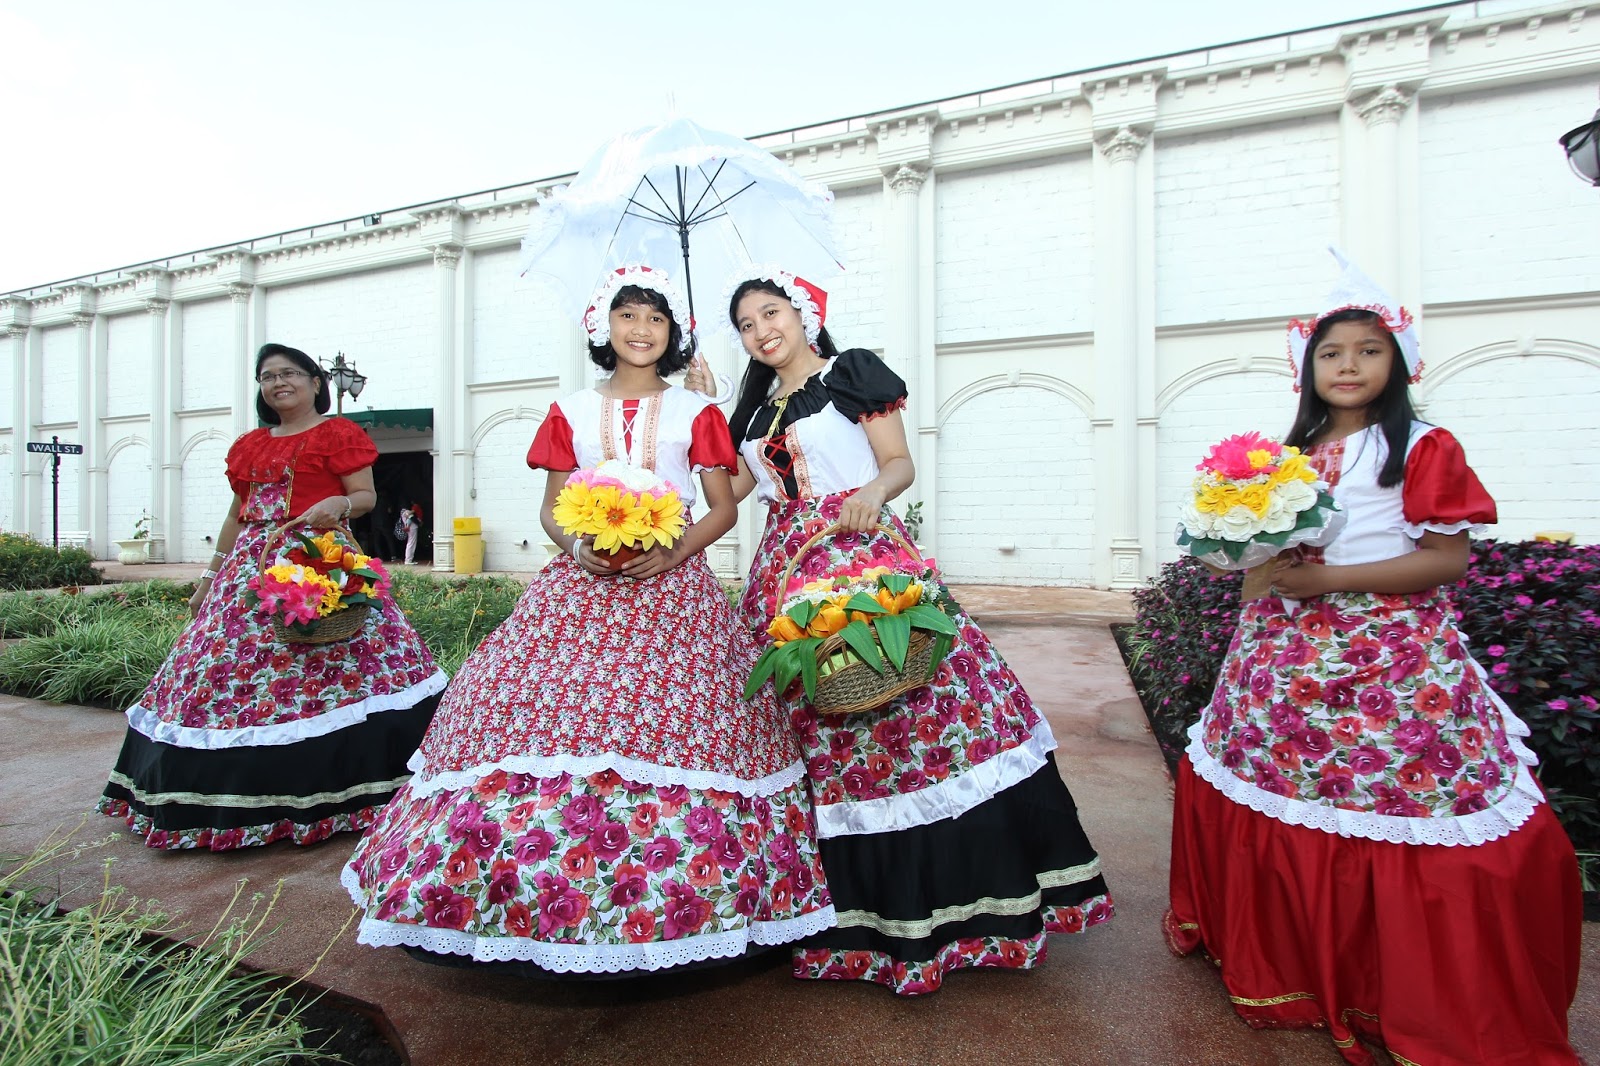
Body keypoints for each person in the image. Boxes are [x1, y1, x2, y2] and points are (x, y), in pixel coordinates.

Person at [343, 266, 834, 974]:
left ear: (673, 334)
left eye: (656, 320)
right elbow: (552, 505)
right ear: (604, 329)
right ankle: (526, 894)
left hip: (674, 590)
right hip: (580, 583)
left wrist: (670, 556)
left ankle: (683, 901)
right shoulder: (569, 410)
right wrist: (577, 545)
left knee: (678, 718)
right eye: (628, 317)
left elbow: (723, 508)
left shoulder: (695, 411)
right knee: (529, 704)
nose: (641, 330)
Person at [1165, 254, 1583, 1065]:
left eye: (1367, 350)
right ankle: (1291, 964)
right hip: (1281, 663)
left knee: (1402, 803)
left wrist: (1328, 581)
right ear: (1306, 368)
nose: (1348, 365)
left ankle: (1402, 989)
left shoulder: (1423, 445)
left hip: (1389, 664)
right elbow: (1263, 557)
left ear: (1398, 362)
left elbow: (1446, 560)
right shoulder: (1289, 452)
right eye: (1331, 353)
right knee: (1280, 789)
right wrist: (1244, 565)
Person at [713, 268, 1113, 996]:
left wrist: (870, 490)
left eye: (772, 313)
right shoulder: (749, 412)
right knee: (816, 732)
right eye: (746, 323)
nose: (762, 329)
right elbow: (728, 492)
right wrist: (696, 417)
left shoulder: (851, 373)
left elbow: (898, 463)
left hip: (864, 553)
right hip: (783, 573)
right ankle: (840, 924)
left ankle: (959, 908)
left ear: (804, 315)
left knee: (917, 718)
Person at [98, 343, 446, 851]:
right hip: (250, 566)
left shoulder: (338, 433)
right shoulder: (249, 444)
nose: (279, 383)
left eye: (290, 374)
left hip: (318, 557)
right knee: (220, 668)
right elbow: (234, 516)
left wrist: (341, 503)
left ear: (314, 382)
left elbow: (366, 496)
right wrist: (209, 578)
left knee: (341, 664)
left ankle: (355, 785)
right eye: (268, 376)